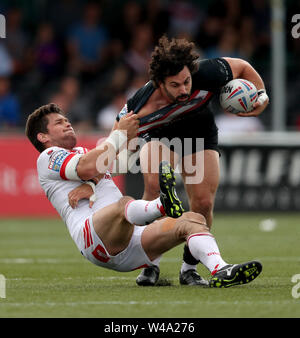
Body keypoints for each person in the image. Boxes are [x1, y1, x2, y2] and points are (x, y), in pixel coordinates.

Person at [25, 102, 262, 288]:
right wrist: (118, 136)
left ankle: (221, 269)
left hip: (131, 241)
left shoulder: (83, 153)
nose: (68, 124)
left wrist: (128, 138)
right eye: (59, 123)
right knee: (124, 203)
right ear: (43, 137)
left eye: (67, 120)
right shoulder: (47, 156)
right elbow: (87, 167)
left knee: (193, 220)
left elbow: (117, 164)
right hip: (94, 238)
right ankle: (162, 205)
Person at [112, 35, 269, 286]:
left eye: (187, 81)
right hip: (161, 135)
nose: (184, 90)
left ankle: (189, 270)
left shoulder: (206, 72)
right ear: (159, 83)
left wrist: (261, 97)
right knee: (155, 189)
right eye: (175, 85)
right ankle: (150, 264)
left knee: (204, 203)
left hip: (200, 131)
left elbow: (242, 67)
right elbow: (115, 138)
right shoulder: (140, 107)